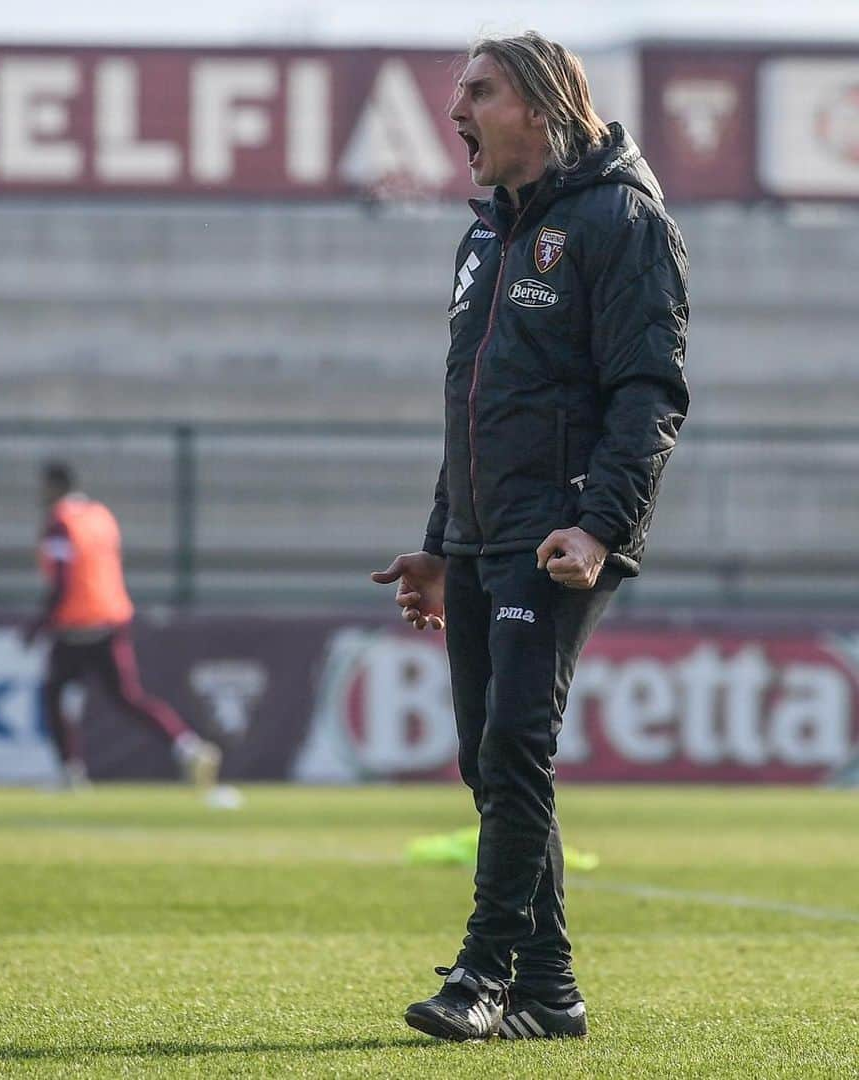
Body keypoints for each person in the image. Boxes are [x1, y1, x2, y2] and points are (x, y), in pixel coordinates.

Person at [372, 32, 689, 1042]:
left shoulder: (618, 217)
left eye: (476, 91)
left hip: (558, 532)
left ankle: (483, 974)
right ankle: (550, 991)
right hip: (480, 534)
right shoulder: (484, 238)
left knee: (515, 741)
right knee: (486, 757)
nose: (454, 109)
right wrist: (440, 539)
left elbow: (649, 391)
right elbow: (471, 405)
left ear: (543, 103)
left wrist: (600, 526)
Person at [22, 461, 221, 790]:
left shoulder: (60, 522)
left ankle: (71, 773)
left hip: (75, 624)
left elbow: (63, 579)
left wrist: (40, 623)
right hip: (111, 619)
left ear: (55, 486)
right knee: (130, 697)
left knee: (54, 695)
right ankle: (188, 746)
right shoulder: (100, 516)